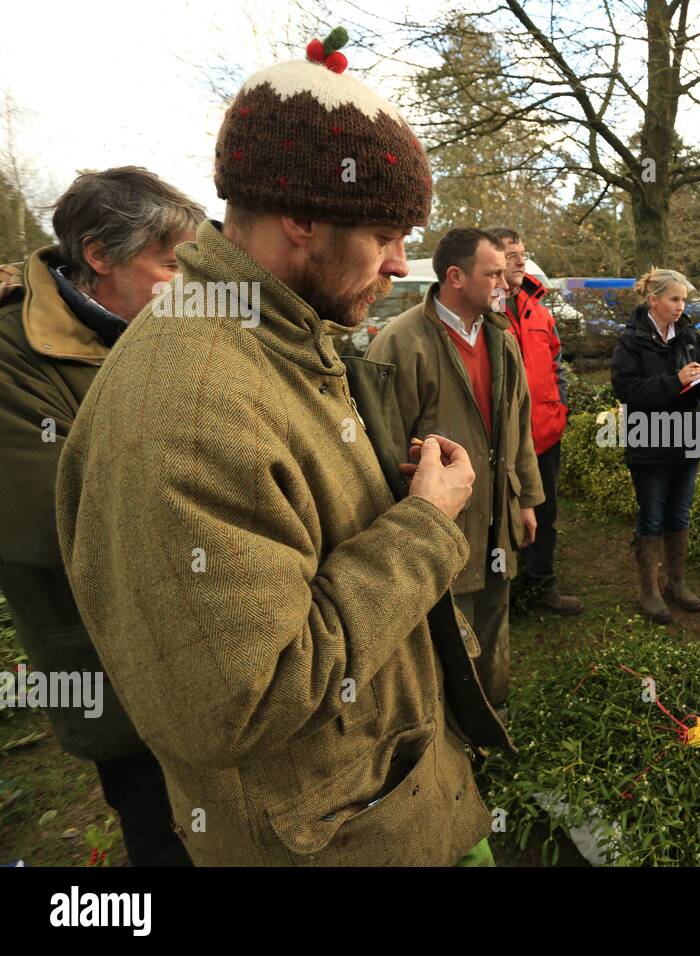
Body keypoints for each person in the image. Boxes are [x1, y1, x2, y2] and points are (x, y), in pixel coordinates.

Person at [56, 33, 510, 866]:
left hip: (383, 800)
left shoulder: (273, 337)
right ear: (301, 219)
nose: (402, 264)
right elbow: (241, 700)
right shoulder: (185, 405)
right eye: (386, 234)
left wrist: (382, 496)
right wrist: (422, 526)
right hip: (330, 839)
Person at [0, 167, 202, 867]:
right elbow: (52, 522)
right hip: (110, 666)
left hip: (204, 651)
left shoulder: (167, 332)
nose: (185, 283)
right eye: (168, 263)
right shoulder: (13, 356)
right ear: (98, 256)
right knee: (162, 835)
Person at [367, 228, 543, 712]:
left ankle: (494, 717)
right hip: (438, 524)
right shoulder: (401, 343)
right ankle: (448, 736)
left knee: (493, 616)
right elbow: (381, 446)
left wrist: (526, 500)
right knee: (446, 631)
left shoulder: (501, 340)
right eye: (492, 274)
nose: (505, 283)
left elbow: (520, 426)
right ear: (455, 277)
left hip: (497, 512)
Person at [611, 268, 700, 623]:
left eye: (684, 300)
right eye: (674, 299)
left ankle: (676, 583)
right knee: (652, 515)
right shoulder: (631, 341)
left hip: (686, 437)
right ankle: (649, 590)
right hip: (648, 440)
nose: (681, 306)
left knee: (679, 514)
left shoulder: (691, 337)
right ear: (654, 300)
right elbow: (627, 390)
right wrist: (674, 381)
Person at [485, 226, 582, 615]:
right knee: (497, 514)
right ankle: (500, 593)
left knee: (545, 513)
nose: (521, 260)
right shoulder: (485, 308)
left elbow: (557, 362)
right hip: (498, 437)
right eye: (511, 255)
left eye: (522, 253)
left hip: (543, 434)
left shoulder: (538, 308)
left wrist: (560, 407)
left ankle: (542, 585)